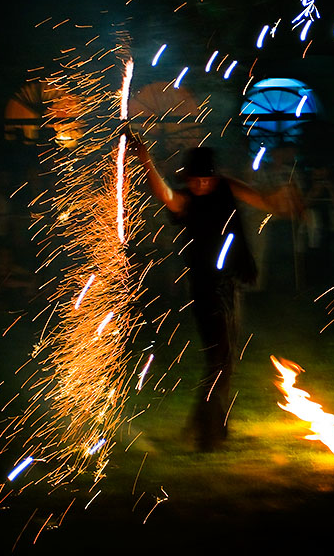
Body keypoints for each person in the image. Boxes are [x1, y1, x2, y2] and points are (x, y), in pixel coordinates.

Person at [128, 132, 304, 452]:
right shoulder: (187, 199)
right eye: (195, 180)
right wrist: (145, 159)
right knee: (219, 359)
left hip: (230, 284)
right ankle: (207, 436)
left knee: (225, 360)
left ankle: (207, 427)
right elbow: (165, 194)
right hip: (205, 288)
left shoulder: (226, 186)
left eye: (205, 179)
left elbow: (265, 202)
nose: (201, 185)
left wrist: (285, 199)